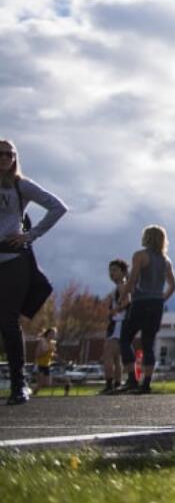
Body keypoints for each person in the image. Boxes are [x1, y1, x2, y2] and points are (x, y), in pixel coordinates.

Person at [0, 138, 67, 406]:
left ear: (15, 158)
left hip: (13, 260)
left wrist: (30, 235)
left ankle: (20, 383)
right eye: (0, 153)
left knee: (8, 322)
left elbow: (57, 207)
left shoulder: (21, 185)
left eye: (9, 153)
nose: (4, 157)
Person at [117, 224, 175, 394]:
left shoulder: (140, 256)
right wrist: (161, 299)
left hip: (141, 302)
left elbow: (133, 279)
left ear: (147, 238)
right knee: (148, 342)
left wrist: (122, 297)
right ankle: (146, 383)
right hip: (157, 303)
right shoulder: (166, 261)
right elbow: (173, 285)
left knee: (125, 338)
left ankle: (131, 379)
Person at [101, 258, 129, 394]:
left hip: (119, 323)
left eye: (115, 270)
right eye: (110, 271)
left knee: (108, 354)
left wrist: (115, 310)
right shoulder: (119, 286)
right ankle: (117, 383)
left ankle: (109, 384)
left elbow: (127, 301)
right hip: (118, 324)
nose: (111, 273)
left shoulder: (122, 285)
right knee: (117, 357)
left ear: (123, 272)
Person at [33, 327, 57, 396]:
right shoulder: (42, 341)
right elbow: (37, 354)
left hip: (47, 364)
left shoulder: (52, 343)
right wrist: (48, 350)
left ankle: (34, 392)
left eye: (54, 334)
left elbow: (50, 354)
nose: (53, 336)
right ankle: (32, 393)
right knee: (40, 383)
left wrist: (54, 355)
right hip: (40, 364)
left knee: (48, 383)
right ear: (48, 334)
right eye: (52, 334)